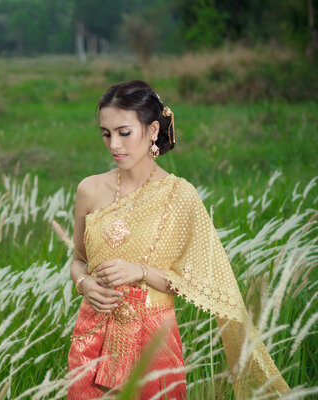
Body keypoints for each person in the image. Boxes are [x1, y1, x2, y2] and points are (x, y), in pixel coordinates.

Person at [66, 80, 291, 399]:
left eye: (124, 132)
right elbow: (78, 261)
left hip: (153, 338)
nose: (114, 144)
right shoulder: (89, 189)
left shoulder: (179, 195)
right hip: (92, 336)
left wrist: (140, 272)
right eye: (106, 133)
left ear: (153, 129)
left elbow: (196, 281)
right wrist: (84, 285)